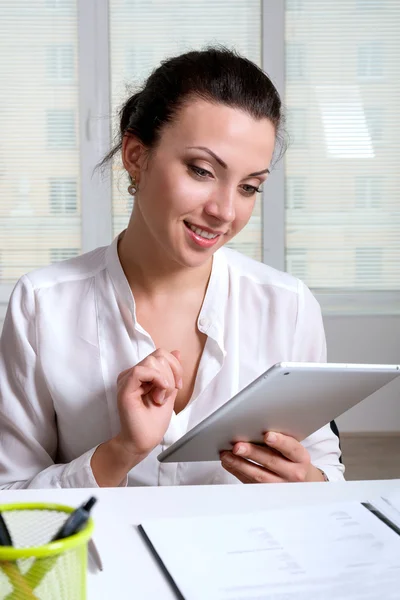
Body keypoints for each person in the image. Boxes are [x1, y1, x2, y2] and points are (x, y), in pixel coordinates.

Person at [0, 47, 344, 489]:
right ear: (136, 156)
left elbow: (327, 474)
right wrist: (119, 453)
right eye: (201, 170)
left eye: (248, 186)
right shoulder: (42, 305)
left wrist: (308, 482)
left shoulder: (288, 306)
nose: (224, 211)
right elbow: (11, 502)